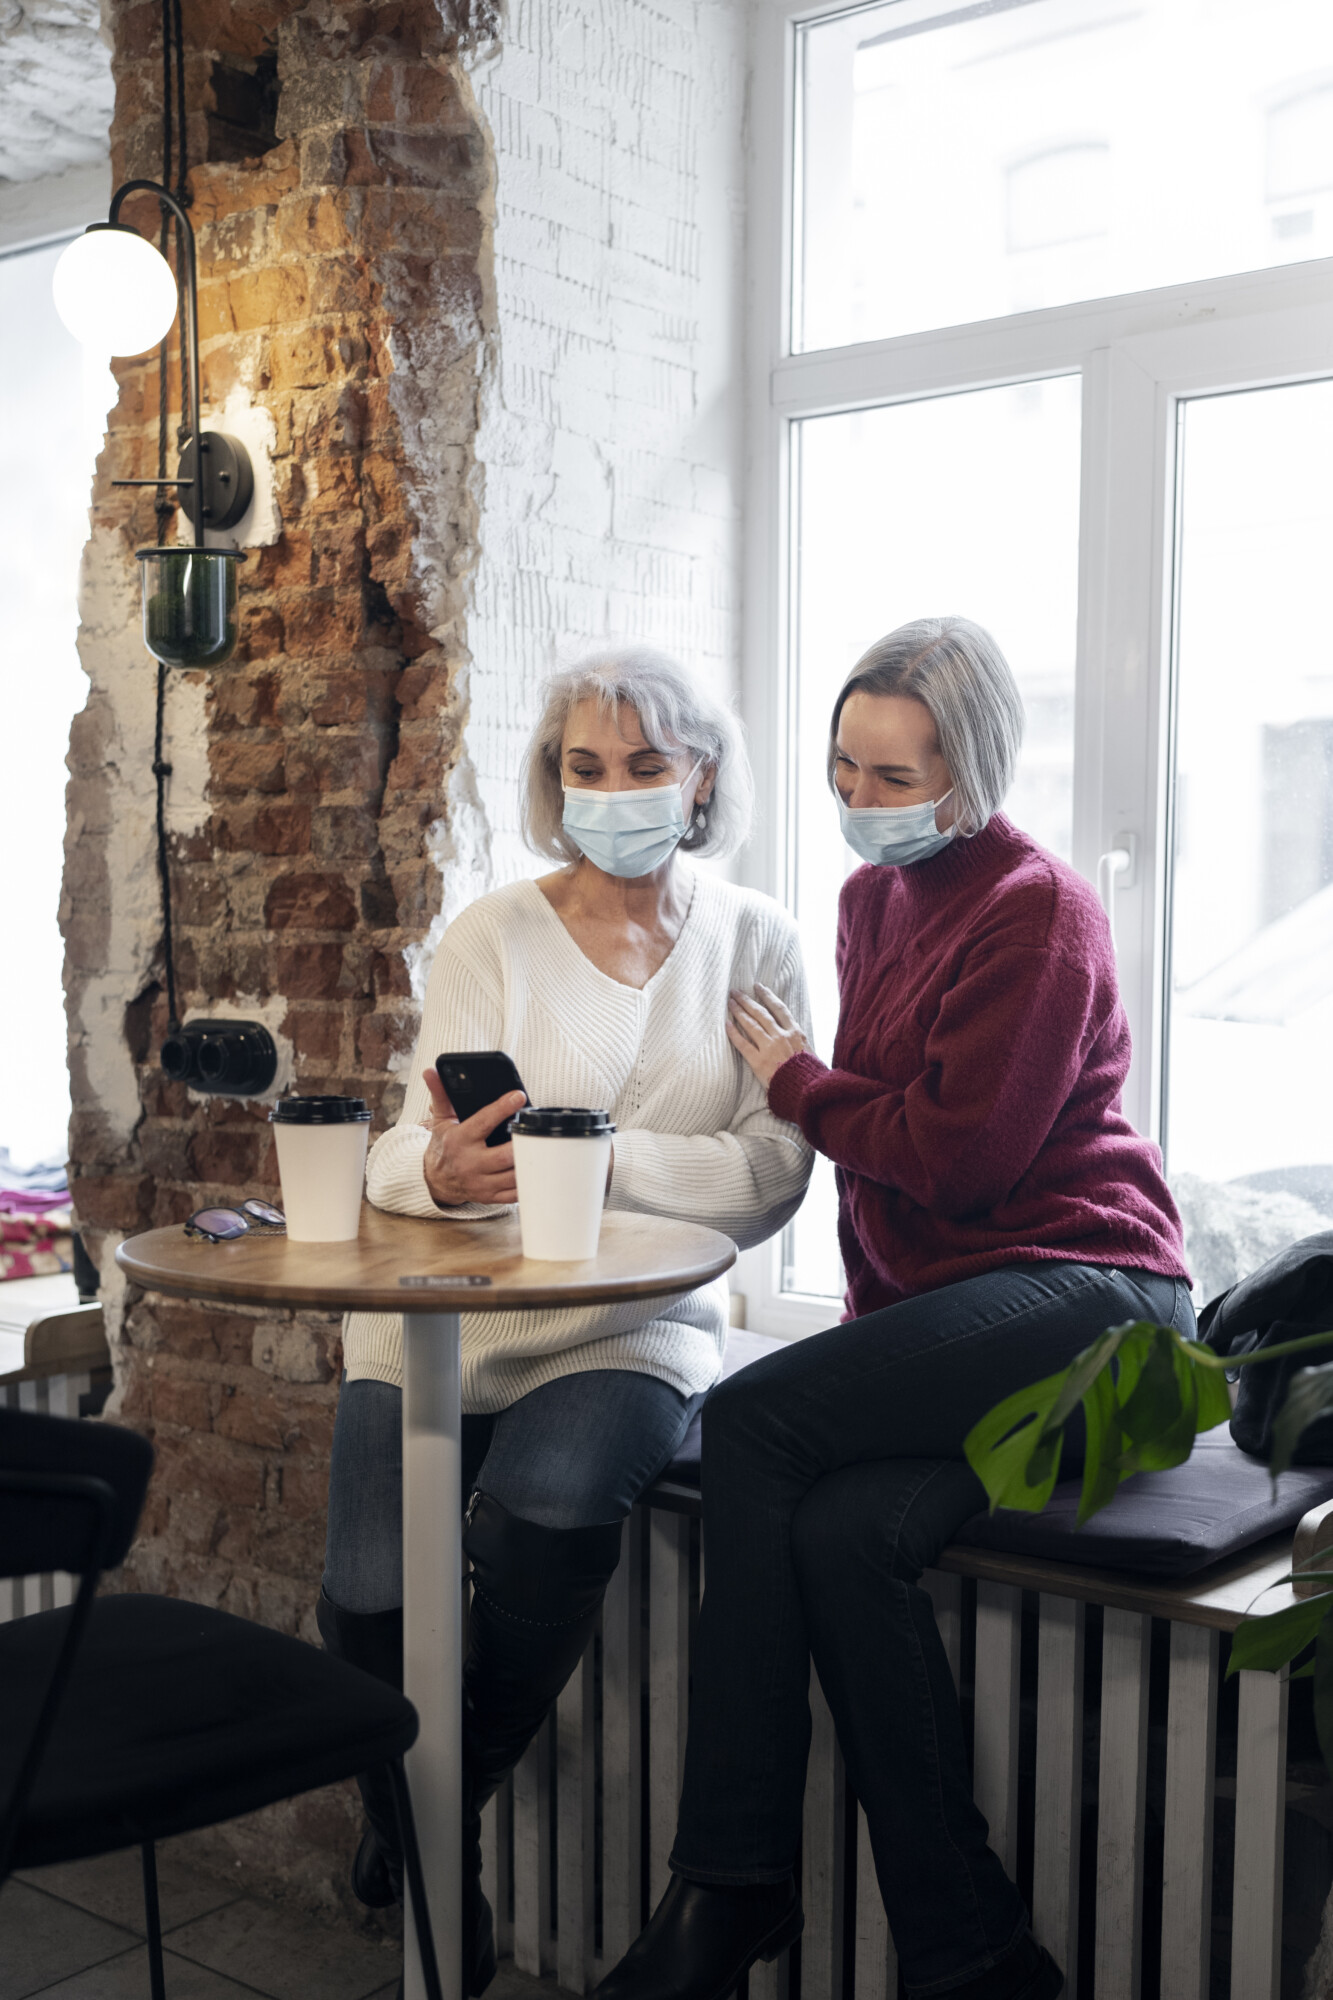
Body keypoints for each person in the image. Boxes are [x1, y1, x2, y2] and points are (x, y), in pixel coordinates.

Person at [593, 618, 1192, 2000]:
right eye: (843, 771)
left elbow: (952, 1158)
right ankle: (971, 1953)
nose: (861, 803)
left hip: (1099, 1300)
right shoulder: (872, 908)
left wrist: (800, 1083)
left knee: (747, 1425)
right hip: (967, 1313)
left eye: (892, 776)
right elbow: (887, 1183)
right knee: (842, 1528)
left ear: (967, 769)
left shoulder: (1037, 911)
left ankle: (728, 1883)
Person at [316, 646, 814, 1996]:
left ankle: (416, 1826)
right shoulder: (491, 936)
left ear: (702, 777)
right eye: (584, 768)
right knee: (363, 1600)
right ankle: (426, 1847)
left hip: (632, 1326)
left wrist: (586, 1159)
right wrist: (441, 1170)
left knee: (547, 1515)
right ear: (552, 782)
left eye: (646, 766)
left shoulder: (756, 940)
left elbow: (769, 1177)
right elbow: (411, 1154)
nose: (614, 793)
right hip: (444, 1308)